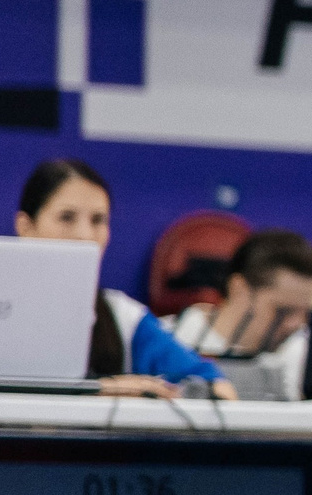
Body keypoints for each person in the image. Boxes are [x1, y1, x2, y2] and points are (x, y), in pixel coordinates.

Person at [15, 159, 234, 400]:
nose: (85, 235)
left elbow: (218, 387)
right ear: (26, 227)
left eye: (98, 220)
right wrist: (102, 389)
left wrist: (157, 392)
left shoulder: (123, 317)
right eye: (67, 217)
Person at [167, 229, 312, 402]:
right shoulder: (166, 341)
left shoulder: (305, 357)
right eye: (283, 311)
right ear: (239, 289)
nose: (297, 323)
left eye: (306, 312)